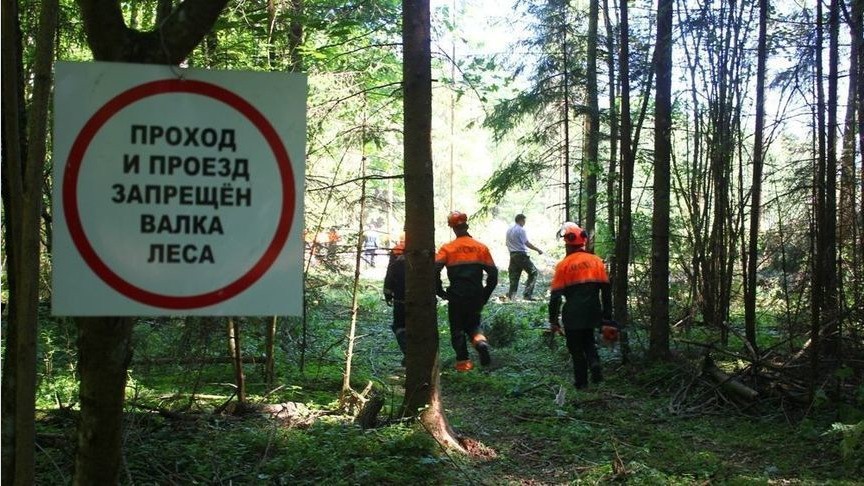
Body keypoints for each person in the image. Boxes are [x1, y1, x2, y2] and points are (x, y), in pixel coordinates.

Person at [548, 222, 612, 389]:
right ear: (583, 243)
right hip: (593, 312)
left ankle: (581, 383)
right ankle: (595, 363)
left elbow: (555, 297)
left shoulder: (563, 265)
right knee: (589, 341)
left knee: (576, 349)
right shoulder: (597, 261)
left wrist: (553, 321)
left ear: (568, 245)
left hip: (573, 315)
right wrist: (607, 318)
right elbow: (606, 291)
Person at [436, 211, 498, 371]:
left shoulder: (447, 248)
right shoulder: (481, 247)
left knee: (457, 329)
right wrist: (485, 294)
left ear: (453, 228)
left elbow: (434, 270)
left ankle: (464, 366)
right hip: (476, 294)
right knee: (473, 325)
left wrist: (439, 290)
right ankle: (481, 343)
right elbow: (493, 274)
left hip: (456, 295)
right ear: (466, 225)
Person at [505, 214, 543, 301]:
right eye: (524, 220)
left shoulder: (509, 230)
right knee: (533, 272)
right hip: (521, 255)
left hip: (513, 255)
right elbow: (527, 243)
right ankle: (527, 295)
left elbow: (507, 243)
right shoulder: (521, 230)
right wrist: (538, 250)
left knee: (514, 275)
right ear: (521, 220)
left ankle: (512, 296)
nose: (525, 222)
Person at [383, 237, 407, 365]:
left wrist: (387, 294)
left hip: (400, 298)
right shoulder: (426, 247)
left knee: (399, 326)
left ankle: (408, 352)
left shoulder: (397, 250)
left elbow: (390, 273)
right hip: (422, 300)